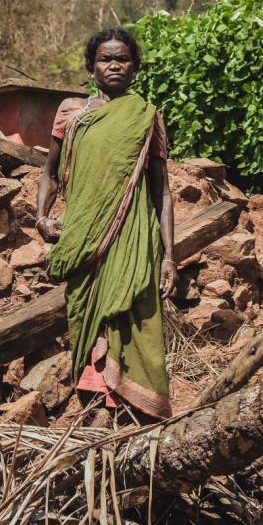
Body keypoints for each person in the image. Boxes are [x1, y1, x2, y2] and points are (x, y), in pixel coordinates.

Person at [36, 28, 175, 420]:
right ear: (91, 67)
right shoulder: (72, 113)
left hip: (133, 238)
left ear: (135, 67)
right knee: (86, 312)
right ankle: (94, 408)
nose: (114, 65)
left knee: (135, 319)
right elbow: (49, 173)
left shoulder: (147, 118)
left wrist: (170, 256)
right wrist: (41, 219)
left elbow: (162, 191)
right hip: (82, 237)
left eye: (123, 59)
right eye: (105, 59)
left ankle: (136, 415)